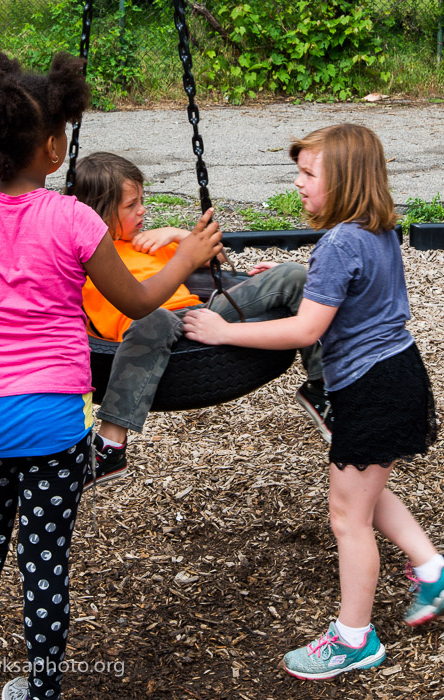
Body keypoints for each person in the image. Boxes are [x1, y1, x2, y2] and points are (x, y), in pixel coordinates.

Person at [0, 53, 221, 700]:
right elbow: (135, 302)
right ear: (50, 148)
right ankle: (42, 689)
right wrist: (186, 256)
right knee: (44, 564)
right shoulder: (72, 218)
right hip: (53, 426)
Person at [183, 123, 443, 679]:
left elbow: (304, 332)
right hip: (396, 375)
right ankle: (432, 568)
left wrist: (223, 333)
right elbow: (345, 291)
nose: (298, 183)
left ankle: (354, 639)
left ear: (344, 180)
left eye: (308, 174)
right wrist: (291, 278)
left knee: (347, 515)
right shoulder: (377, 231)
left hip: (372, 388)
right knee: (366, 492)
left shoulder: (340, 242)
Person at [73, 151, 329, 485]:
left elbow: (218, 258)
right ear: (100, 214)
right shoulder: (82, 258)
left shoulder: (145, 243)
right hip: (144, 333)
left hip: (200, 319)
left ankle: (322, 387)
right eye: (131, 205)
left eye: (142, 201)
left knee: (294, 275)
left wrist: (180, 236)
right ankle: (109, 444)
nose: (142, 211)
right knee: (157, 317)